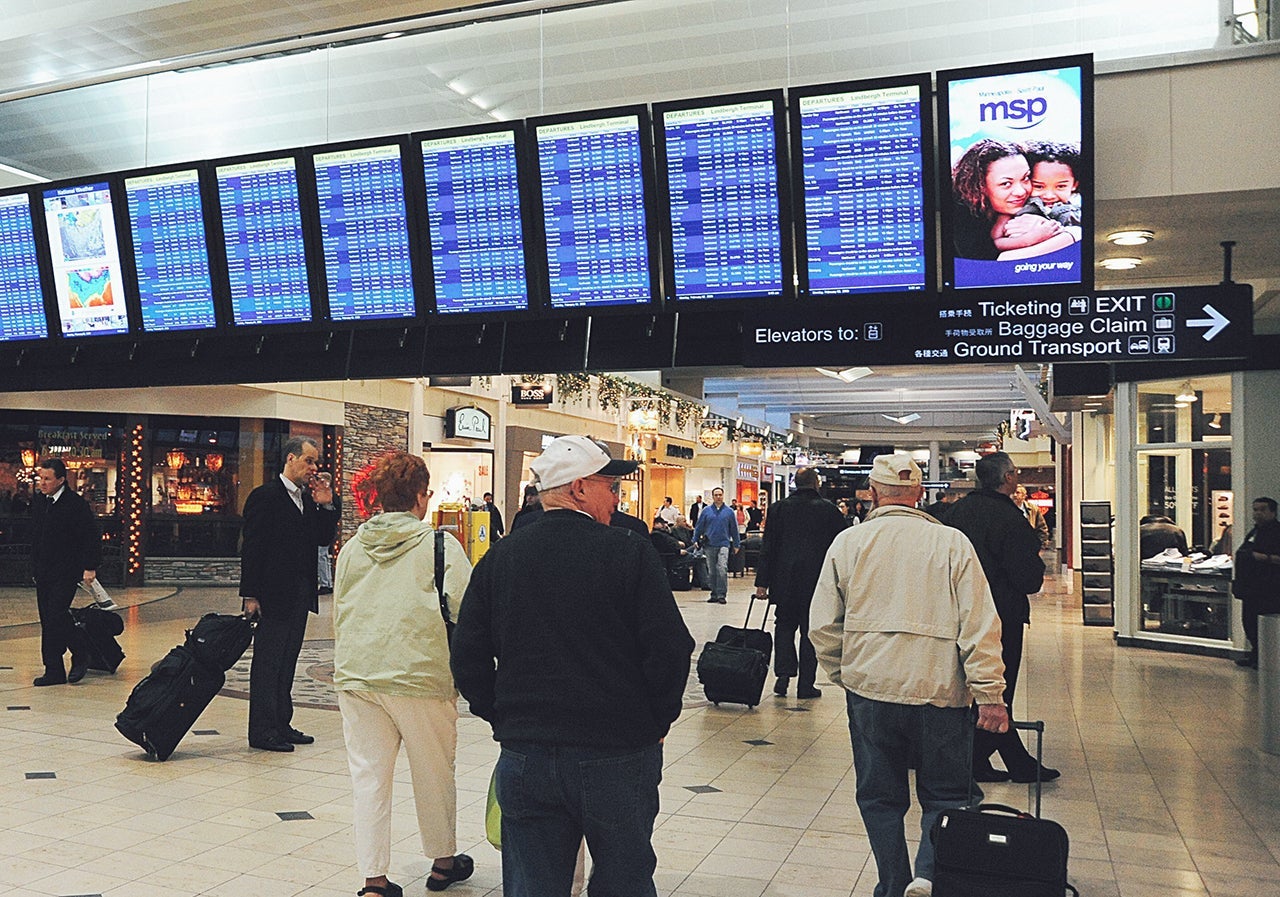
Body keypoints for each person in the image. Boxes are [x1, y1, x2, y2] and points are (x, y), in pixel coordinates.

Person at [450, 435, 695, 897]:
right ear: (580, 488)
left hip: (527, 754)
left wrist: (501, 714)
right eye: (609, 487)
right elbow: (669, 648)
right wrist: (657, 719)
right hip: (617, 751)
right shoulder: (627, 551)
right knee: (623, 879)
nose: (615, 498)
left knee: (532, 884)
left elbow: (467, 655)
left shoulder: (501, 557)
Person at [810, 453, 1008, 897]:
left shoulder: (849, 544)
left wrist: (847, 672)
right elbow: (980, 624)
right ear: (920, 495)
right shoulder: (953, 543)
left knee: (879, 796)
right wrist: (989, 692)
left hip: (871, 690)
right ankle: (927, 875)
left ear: (873, 494)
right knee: (947, 795)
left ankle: (893, 882)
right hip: (940, 692)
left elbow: (822, 625)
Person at [333, 452, 474, 896]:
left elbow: (341, 609)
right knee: (433, 772)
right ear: (418, 497)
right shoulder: (439, 545)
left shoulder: (353, 547)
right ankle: (442, 863)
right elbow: (465, 612)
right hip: (420, 676)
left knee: (369, 779)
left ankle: (374, 880)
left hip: (358, 677)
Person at [945, 452, 1054, 784]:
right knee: (997, 688)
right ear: (1008, 478)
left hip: (956, 612)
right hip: (1000, 614)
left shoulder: (955, 514)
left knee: (969, 686)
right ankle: (986, 758)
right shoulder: (1010, 520)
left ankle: (1000, 759)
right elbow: (1027, 577)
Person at [239, 436, 342, 752]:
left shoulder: (307, 500)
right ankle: (262, 731)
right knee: (268, 664)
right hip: (272, 594)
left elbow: (322, 539)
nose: (314, 468)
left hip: (299, 594)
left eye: (315, 462)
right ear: (291, 459)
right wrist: (251, 594)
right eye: (309, 461)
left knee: (287, 662)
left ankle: (281, 723)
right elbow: (253, 549)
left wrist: (327, 504)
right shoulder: (265, 496)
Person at [753, 467, 846, 699]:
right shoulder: (829, 511)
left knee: (783, 627)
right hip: (816, 583)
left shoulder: (778, 509)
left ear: (795, 483)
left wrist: (762, 583)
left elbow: (768, 548)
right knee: (809, 632)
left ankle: (783, 677)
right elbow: (841, 548)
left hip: (783, 581)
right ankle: (806, 685)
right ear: (816, 484)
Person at [30, 459, 100, 686]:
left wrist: (90, 566)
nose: (43, 483)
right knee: (47, 621)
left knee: (57, 614)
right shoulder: (40, 502)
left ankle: (80, 651)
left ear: (61, 480)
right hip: (44, 571)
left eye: (47, 479)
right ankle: (54, 670)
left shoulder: (75, 504)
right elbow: (36, 537)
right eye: (41, 478)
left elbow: (90, 536)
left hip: (66, 571)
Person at [951, 138, 1078, 262]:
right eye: (1006, 183)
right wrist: (1031, 238)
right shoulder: (961, 217)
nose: (1021, 192)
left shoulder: (1038, 204)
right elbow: (988, 259)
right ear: (979, 186)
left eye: (1026, 178)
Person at [1232, 497, 1280, 668]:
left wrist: (1262, 558)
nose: (1257, 513)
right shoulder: (1254, 532)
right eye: (1255, 509)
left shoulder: (1276, 532)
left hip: (1268, 588)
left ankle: (1266, 658)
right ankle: (1255, 654)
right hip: (1250, 587)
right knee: (1250, 622)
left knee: (1265, 624)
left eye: (1262, 510)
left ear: (1272, 512)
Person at [692, 486, 740, 604]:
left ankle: (722, 594)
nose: (718, 497)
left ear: (723, 496)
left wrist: (736, 544)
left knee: (722, 568)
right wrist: (695, 539)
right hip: (709, 544)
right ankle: (714, 594)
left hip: (724, 544)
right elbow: (699, 526)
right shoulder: (706, 511)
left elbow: (734, 528)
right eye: (716, 495)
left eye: (720, 495)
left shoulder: (729, 512)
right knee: (712, 571)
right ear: (713, 497)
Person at [1013, 484, 1051, 549]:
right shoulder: (1005, 508)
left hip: (1028, 546)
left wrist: (1041, 546)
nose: (1014, 495)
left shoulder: (1033, 509)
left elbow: (1042, 528)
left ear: (1024, 496)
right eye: (1013, 492)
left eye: (1018, 492)